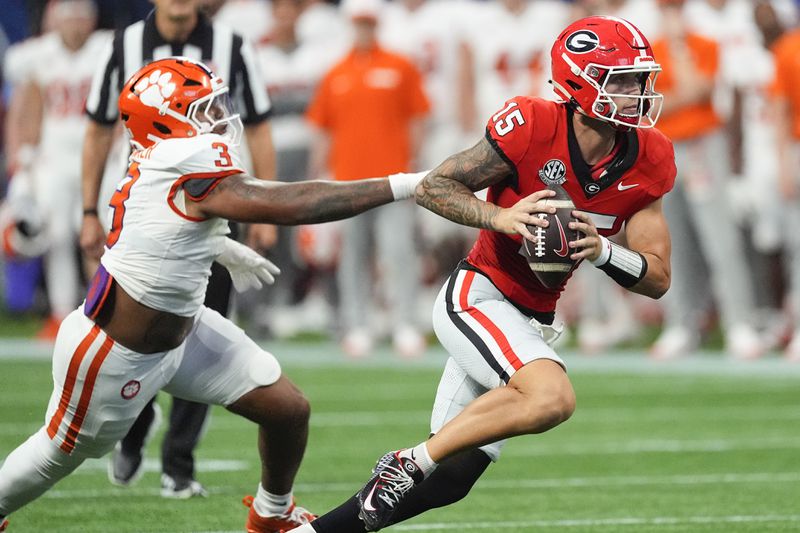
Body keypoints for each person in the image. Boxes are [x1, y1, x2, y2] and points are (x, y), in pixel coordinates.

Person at [0, 56, 425, 533]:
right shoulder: (180, 160)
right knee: (57, 453)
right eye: (202, 110)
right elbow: (289, 203)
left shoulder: (160, 160)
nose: (217, 118)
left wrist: (218, 246)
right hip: (114, 349)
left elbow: (159, 229)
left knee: (287, 409)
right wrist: (402, 185)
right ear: (163, 123)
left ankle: (272, 514)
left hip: (182, 329)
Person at [287, 15, 675, 533]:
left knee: (452, 479)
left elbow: (657, 276)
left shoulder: (650, 156)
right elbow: (434, 186)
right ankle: (407, 462)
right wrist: (501, 217)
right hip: (479, 295)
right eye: (619, 79)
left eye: (638, 78)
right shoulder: (533, 123)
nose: (635, 92)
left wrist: (602, 251)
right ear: (579, 81)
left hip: (532, 318)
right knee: (550, 396)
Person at [81, 0, 276, 497]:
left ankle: (179, 464)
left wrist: (266, 203)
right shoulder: (123, 45)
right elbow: (99, 125)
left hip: (214, 201)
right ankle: (133, 429)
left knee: (206, 329)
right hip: (146, 215)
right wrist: (87, 209)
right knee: (137, 331)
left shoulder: (231, 45)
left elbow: (256, 123)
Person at [306, 0, 430, 358]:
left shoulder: (399, 65)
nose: (364, 30)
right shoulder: (336, 72)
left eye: (369, 24)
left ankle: (405, 323)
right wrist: (317, 175)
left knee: (399, 252)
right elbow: (322, 129)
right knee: (353, 257)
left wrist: (415, 165)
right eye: (359, 24)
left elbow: (418, 117)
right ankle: (358, 324)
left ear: (377, 26)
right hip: (349, 181)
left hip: (395, 179)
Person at [647, 0, 763, 360]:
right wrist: (675, 97)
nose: (673, 15)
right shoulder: (650, 52)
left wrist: (680, 50)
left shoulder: (704, 45)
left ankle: (739, 323)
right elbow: (649, 108)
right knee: (671, 238)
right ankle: (681, 324)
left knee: (720, 236)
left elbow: (698, 88)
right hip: (664, 147)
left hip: (702, 146)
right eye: (667, 9)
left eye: (677, 8)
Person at [1, 0, 110, 339]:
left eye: (82, 17)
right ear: (54, 21)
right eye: (70, 17)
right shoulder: (37, 56)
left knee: (100, 235)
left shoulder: (107, 49)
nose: (76, 25)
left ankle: (104, 311)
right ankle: (62, 313)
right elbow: (25, 107)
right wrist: (22, 157)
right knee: (58, 234)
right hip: (54, 159)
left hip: (100, 155)